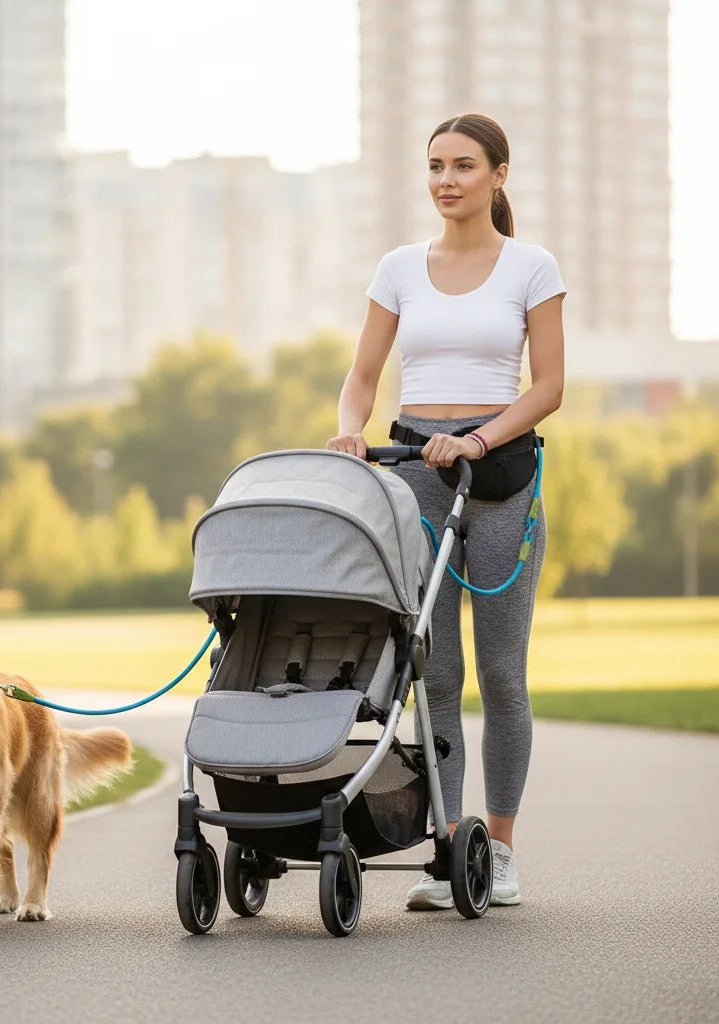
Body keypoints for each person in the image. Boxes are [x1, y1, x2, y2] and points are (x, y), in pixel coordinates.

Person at [327, 112, 565, 910]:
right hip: (414, 468)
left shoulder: (531, 266)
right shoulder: (398, 266)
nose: (446, 180)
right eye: (435, 166)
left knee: (500, 672)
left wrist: (477, 440)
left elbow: (548, 387)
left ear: (499, 175)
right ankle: (446, 846)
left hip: (499, 468)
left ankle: (498, 853)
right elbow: (363, 373)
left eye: (464, 165)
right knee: (434, 671)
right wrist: (350, 429)